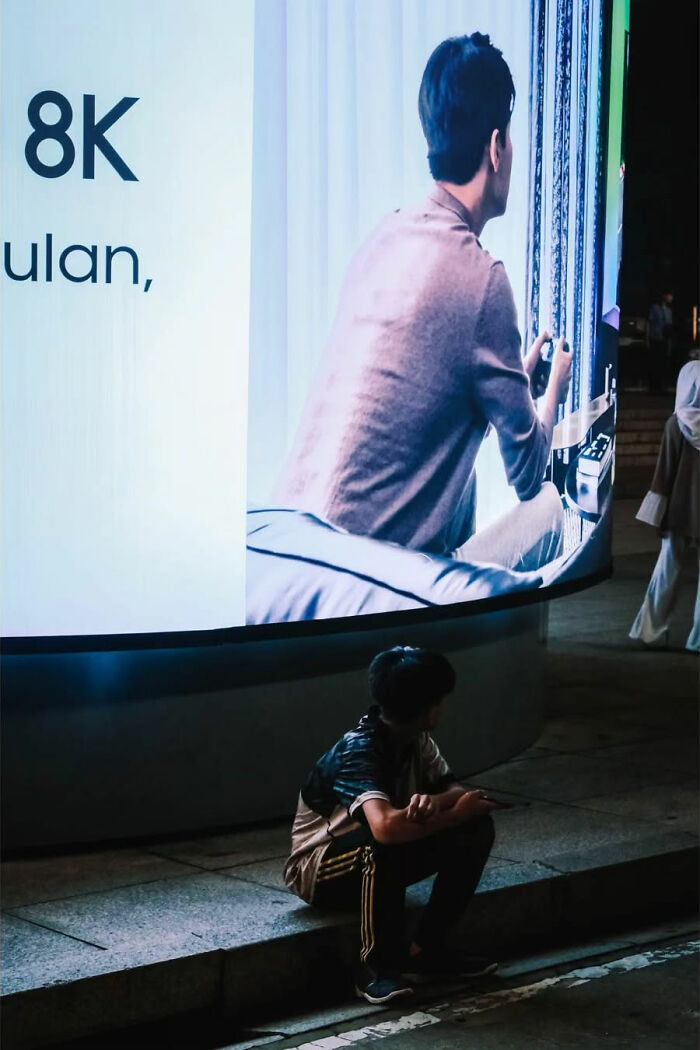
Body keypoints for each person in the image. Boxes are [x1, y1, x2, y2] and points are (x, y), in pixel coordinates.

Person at [274, 33, 572, 576]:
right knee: (551, 511)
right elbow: (529, 475)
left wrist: (510, 389)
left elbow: (413, 400)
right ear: (496, 146)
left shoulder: (386, 235)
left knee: (464, 476)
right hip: (366, 578)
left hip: (296, 546)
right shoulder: (482, 278)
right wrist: (555, 390)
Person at [283, 646, 502, 1004]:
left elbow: (456, 792)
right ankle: (375, 968)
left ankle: (426, 950)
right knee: (381, 844)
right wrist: (452, 814)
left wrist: (435, 801)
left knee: (476, 829)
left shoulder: (417, 739)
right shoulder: (359, 749)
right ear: (429, 707)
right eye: (441, 700)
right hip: (317, 868)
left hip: (380, 849)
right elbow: (385, 827)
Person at [629, 359, 700, 652]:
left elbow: (664, 473)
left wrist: (657, 516)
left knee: (667, 569)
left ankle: (651, 631)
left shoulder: (677, 424)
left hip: (679, 511)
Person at [647, 291, 674, 392]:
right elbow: (649, 323)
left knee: (663, 363)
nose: (671, 298)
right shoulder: (655, 308)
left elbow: (669, 326)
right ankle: (653, 386)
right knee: (655, 362)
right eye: (670, 295)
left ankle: (661, 386)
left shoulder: (669, 311)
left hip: (665, 339)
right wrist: (647, 338)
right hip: (655, 338)